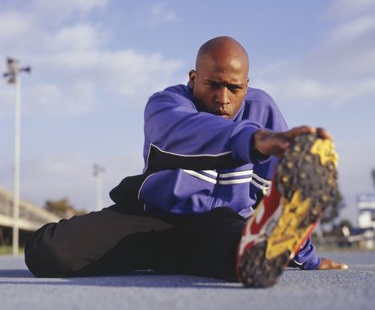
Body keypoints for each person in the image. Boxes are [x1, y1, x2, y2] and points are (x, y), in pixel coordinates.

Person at [24, 36, 347, 287]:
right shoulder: (167, 103)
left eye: (234, 88)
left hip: (214, 226)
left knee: (246, 252)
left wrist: (306, 257)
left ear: (246, 86)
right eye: (213, 85)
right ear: (193, 78)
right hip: (149, 220)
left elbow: (283, 190)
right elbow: (182, 132)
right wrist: (250, 140)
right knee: (47, 253)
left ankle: (227, 254)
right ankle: (168, 257)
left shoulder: (263, 109)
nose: (223, 98)